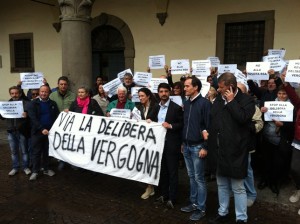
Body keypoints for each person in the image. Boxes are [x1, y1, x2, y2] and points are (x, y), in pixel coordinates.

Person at [208, 72, 255, 223]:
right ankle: (223, 212)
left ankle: (241, 217)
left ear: (231, 87)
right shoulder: (218, 100)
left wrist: (231, 101)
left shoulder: (247, 100)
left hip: (236, 152)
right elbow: (213, 120)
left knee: (238, 187)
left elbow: (242, 118)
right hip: (219, 149)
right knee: (221, 185)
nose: (219, 89)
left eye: (221, 87)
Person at [180, 76, 211, 221]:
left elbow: (208, 126)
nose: (184, 88)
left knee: (199, 178)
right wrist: (183, 143)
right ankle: (193, 203)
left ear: (196, 87)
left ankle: (201, 208)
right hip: (186, 146)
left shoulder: (205, 103)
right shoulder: (186, 103)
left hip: (198, 146)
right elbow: (186, 124)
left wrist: (205, 146)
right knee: (191, 177)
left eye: (187, 86)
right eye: (184, 86)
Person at [153, 83, 183, 209]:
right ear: (158, 93)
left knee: (172, 172)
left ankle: (172, 197)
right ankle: (163, 195)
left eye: (166, 91)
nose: (163, 93)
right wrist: (149, 121)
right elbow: (150, 119)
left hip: (171, 144)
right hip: (158, 145)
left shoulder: (176, 108)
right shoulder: (155, 107)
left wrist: (170, 126)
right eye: (161, 91)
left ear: (169, 92)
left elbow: (181, 124)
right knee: (162, 171)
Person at [260, 85, 294, 195]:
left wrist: (282, 125)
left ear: (288, 94)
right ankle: (265, 180)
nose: (282, 96)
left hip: (282, 139)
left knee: (278, 162)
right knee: (266, 159)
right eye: (279, 93)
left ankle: (274, 183)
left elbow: (293, 126)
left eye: (284, 94)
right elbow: (262, 119)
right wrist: (262, 111)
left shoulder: (292, 107)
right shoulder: (270, 104)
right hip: (268, 137)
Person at [237, 82, 264, 207]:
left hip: (246, 144)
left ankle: (251, 194)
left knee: (246, 169)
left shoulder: (253, 106)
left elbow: (259, 125)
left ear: (246, 93)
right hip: (232, 144)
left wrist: (246, 125)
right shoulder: (230, 103)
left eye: (239, 90)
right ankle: (237, 190)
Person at [27, 85, 60, 181]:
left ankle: (46, 169)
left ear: (49, 93)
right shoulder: (33, 104)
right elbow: (33, 119)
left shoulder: (53, 103)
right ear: (39, 92)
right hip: (37, 132)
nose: (43, 93)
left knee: (47, 152)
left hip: (49, 133)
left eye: (46, 92)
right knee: (36, 152)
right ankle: (35, 171)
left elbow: (57, 117)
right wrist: (41, 128)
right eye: (42, 91)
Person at [0, 86, 31, 176]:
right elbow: (2, 117)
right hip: (11, 131)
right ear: (10, 94)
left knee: (24, 151)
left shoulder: (26, 103)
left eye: (16, 93)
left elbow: (31, 116)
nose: (14, 95)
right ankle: (15, 167)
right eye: (12, 93)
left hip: (22, 131)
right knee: (14, 151)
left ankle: (26, 167)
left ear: (20, 93)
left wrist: (27, 115)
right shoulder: (6, 104)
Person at [281, 72, 300, 216]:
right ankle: (299, 188)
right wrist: (286, 83)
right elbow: (293, 97)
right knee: (294, 168)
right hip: (298, 140)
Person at [136, 87, 158, 199]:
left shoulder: (156, 106)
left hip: (153, 140)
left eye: (142, 96)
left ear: (148, 96)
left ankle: (151, 187)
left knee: (151, 162)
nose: (140, 98)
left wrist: (152, 122)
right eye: (139, 96)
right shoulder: (139, 107)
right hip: (143, 140)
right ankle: (149, 186)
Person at [49, 76, 76, 170]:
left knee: (70, 143)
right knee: (59, 143)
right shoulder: (52, 95)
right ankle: (61, 161)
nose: (63, 86)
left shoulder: (73, 95)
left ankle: (71, 161)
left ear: (67, 85)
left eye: (65, 84)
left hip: (70, 124)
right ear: (58, 85)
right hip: (57, 124)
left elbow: (76, 108)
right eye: (61, 84)